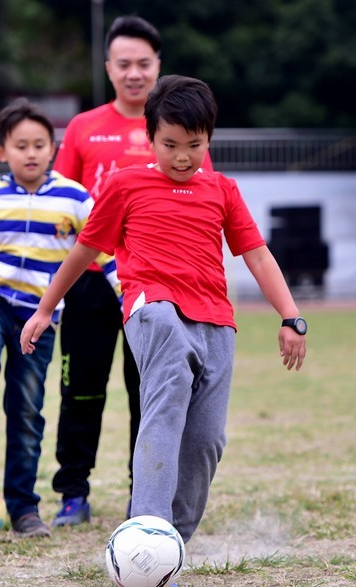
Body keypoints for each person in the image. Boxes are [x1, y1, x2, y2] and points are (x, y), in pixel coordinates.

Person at [21, 75, 307, 587]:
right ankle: (144, 534)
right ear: (149, 138)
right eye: (170, 144)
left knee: (205, 441)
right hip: (151, 306)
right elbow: (85, 252)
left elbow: (257, 254)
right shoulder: (125, 185)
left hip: (216, 319)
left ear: (209, 141)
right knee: (167, 379)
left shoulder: (222, 190)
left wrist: (290, 316)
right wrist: (45, 307)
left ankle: (164, 549)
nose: (181, 156)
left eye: (194, 145)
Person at [0, 99, 118, 538]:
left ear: (53, 148)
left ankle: (25, 509)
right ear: (2, 152)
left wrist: (129, 300)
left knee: (27, 408)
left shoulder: (75, 197)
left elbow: (105, 252)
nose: (30, 153)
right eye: (20, 146)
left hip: (40, 316)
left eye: (39, 145)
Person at [49, 15, 212, 528]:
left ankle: (144, 494)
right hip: (93, 282)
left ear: (158, 66)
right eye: (124, 64)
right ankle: (72, 493)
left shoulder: (176, 129)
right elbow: (61, 202)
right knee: (81, 390)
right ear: (109, 68)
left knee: (152, 392)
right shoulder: (83, 128)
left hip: (154, 289)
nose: (135, 73)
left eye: (144, 63)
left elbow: (200, 203)